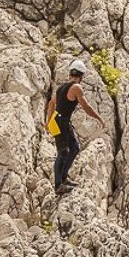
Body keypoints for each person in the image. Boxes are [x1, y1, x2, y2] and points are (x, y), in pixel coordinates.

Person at [45, 59, 106, 194]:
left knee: (74, 148)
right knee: (63, 152)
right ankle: (58, 185)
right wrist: (99, 118)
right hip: (61, 122)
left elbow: (51, 104)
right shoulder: (76, 88)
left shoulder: (61, 88)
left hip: (59, 121)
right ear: (81, 76)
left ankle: (64, 178)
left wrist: (48, 122)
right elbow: (86, 107)